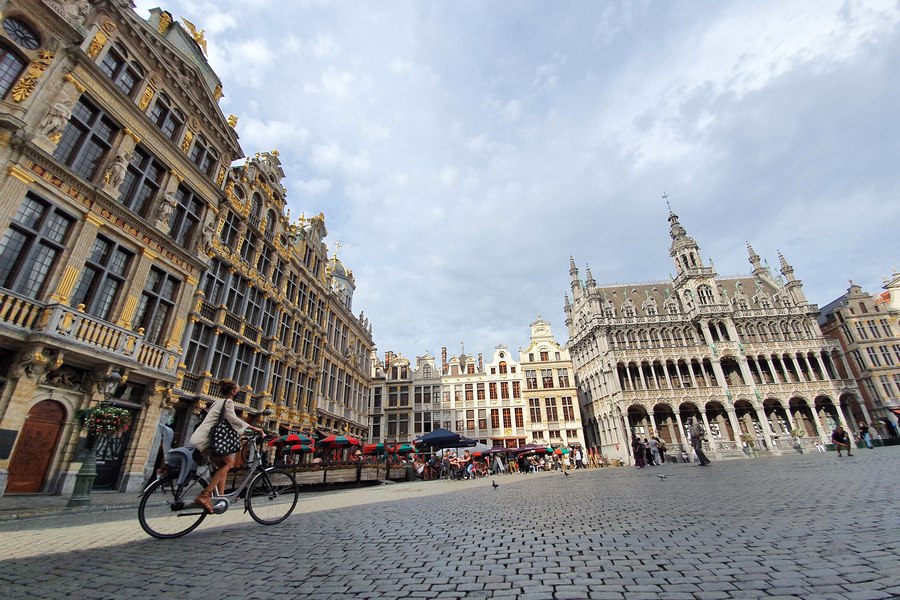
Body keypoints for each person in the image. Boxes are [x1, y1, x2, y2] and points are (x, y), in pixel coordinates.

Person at [189, 380, 264, 513]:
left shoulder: (217, 402)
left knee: (222, 466)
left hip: (201, 437)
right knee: (229, 462)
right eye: (238, 389)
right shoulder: (228, 402)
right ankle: (205, 495)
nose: (239, 391)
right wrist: (254, 428)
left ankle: (220, 498)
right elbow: (232, 419)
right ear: (233, 391)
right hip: (207, 439)